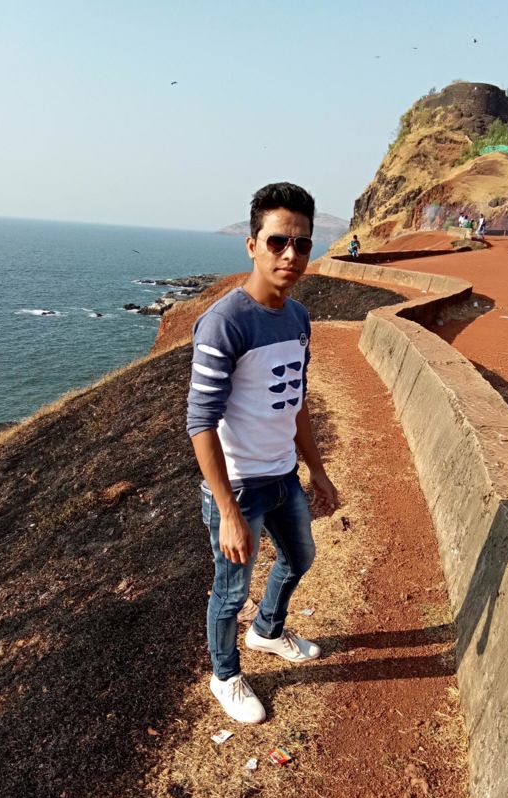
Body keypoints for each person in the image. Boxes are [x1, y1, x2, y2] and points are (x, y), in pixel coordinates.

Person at [187, 182, 339, 724]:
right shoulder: (225, 322)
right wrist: (228, 511)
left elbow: (296, 401)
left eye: (302, 243)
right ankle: (224, 675)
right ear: (252, 245)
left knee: (300, 558)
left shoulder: (298, 318)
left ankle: (268, 631)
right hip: (238, 486)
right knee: (231, 592)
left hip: (282, 476)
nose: (290, 255)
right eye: (278, 242)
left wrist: (317, 470)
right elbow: (200, 422)